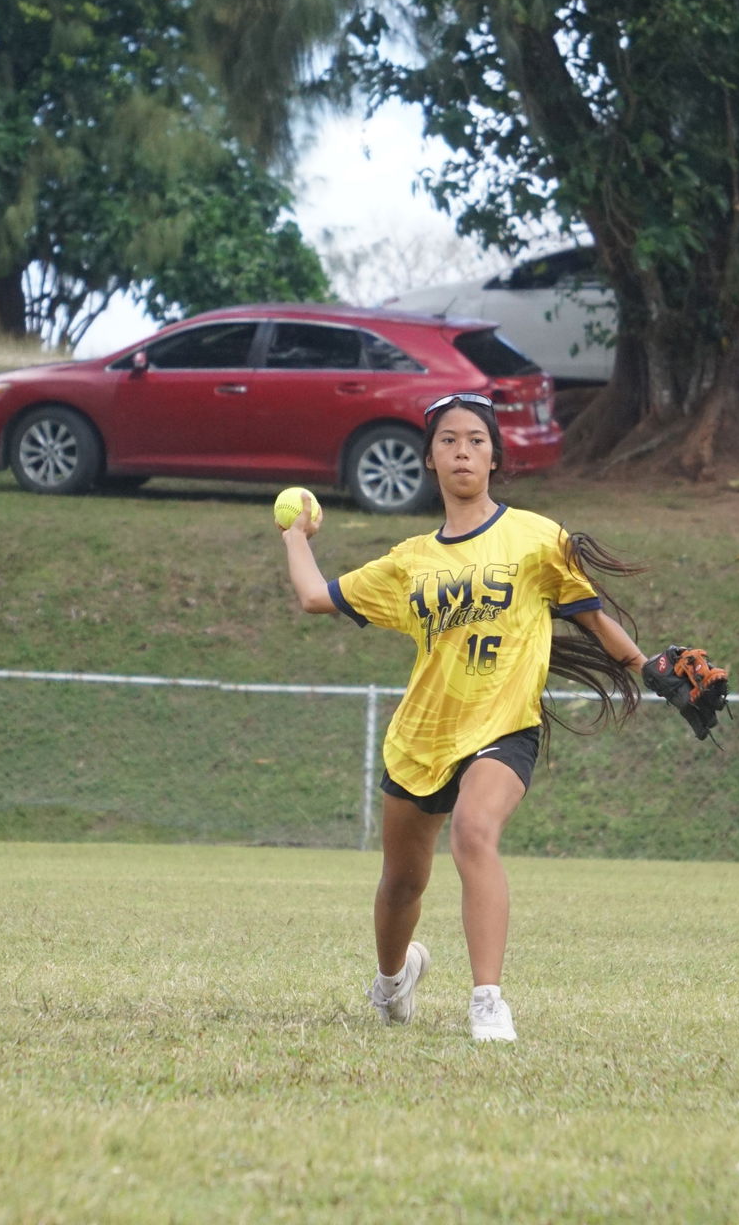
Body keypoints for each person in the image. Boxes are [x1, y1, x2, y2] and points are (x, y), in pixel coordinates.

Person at [276, 392, 650, 1043]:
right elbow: (314, 596)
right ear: (429, 459)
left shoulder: (538, 539)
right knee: (401, 882)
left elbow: (596, 620)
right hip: (423, 738)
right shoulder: (410, 561)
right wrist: (294, 535)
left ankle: (488, 1002)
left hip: (505, 726)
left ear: (496, 457)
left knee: (474, 833)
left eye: (477, 440)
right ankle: (394, 981)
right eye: (448, 440)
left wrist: (654, 670)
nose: (463, 451)